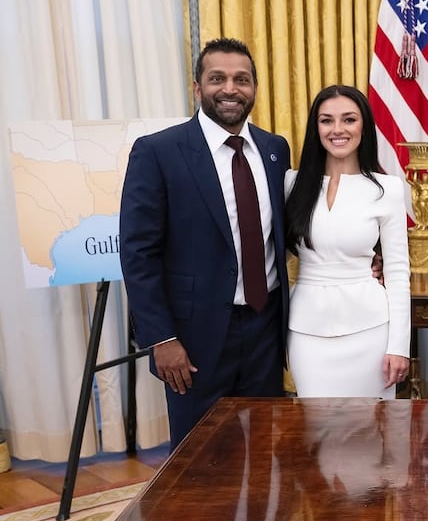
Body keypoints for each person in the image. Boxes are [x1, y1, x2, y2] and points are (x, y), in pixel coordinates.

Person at [120, 38, 291, 450]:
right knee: (199, 462)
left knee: (265, 453)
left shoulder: (274, 150)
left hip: (265, 328)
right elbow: (138, 253)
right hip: (192, 340)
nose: (230, 89)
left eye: (241, 79)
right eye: (218, 78)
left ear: (254, 88)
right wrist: (160, 339)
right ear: (197, 88)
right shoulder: (158, 152)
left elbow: (285, 232)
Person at [284, 85, 410, 397]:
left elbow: (397, 272)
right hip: (306, 331)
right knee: (317, 433)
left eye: (349, 119)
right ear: (316, 128)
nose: (337, 129)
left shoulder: (388, 188)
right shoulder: (290, 183)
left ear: (364, 126)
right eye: (327, 120)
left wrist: (399, 346)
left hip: (371, 333)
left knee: (372, 434)